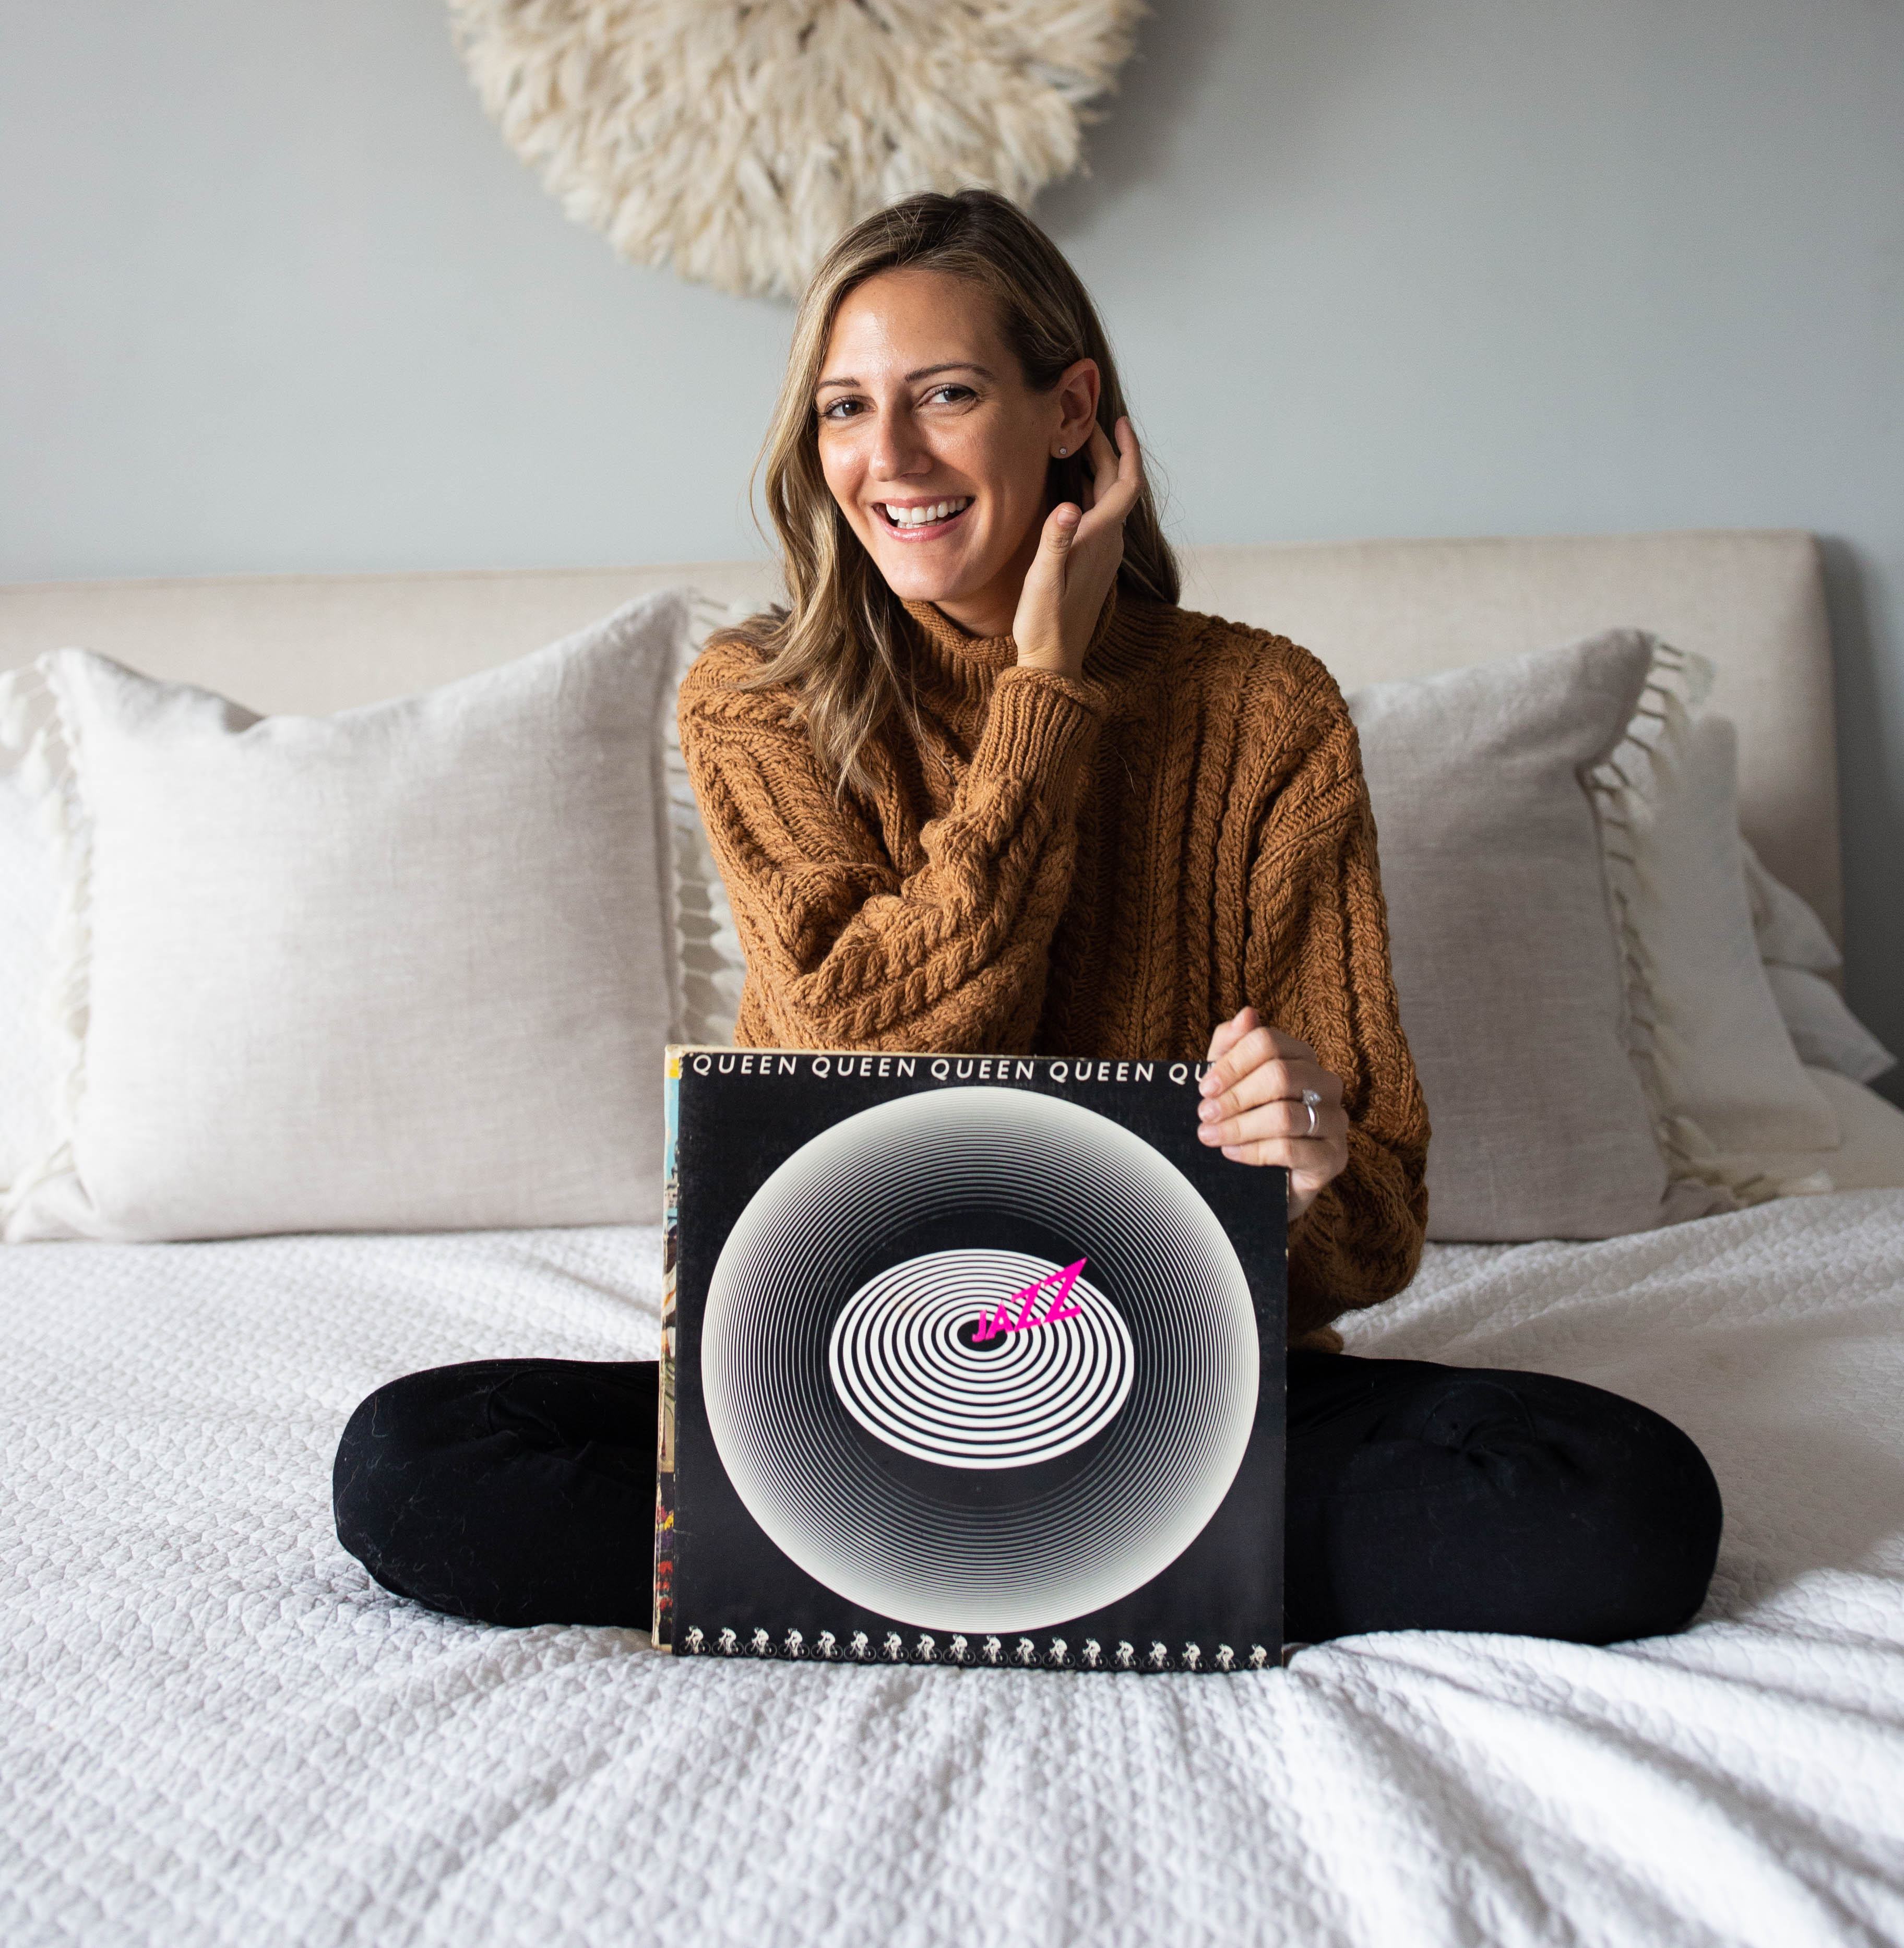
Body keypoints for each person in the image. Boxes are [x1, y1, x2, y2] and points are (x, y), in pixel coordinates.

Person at [335, 189, 1721, 1646]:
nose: (889, 460)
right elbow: (848, 1062)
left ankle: (900, 1570)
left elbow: (1374, 1241)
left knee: (1624, 1502)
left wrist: (1305, 1169)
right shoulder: (759, 697)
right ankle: (1111, 1572)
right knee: (421, 1461)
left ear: (1071, 411)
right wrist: (1043, 705)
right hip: (820, 1397)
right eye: (845, 410)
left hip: (1177, 1394)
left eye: (945, 395)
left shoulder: (1265, 711)